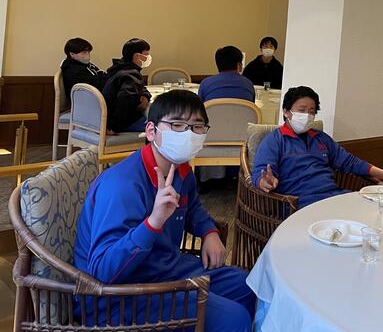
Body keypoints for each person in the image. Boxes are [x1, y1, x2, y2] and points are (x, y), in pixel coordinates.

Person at [72, 90, 255, 330]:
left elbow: (193, 209)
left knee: (249, 286)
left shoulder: (180, 169)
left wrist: (209, 231)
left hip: (165, 268)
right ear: (151, 131)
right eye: (177, 125)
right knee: (234, 318)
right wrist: (154, 222)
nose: (188, 134)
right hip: (116, 296)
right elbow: (103, 272)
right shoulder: (122, 185)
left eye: (197, 127)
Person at [253, 85, 383, 208]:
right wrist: (264, 181)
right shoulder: (274, 141)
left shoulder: (321, 138)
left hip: (333, 197)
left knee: (371, 209)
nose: (307, 115)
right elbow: (261, 172)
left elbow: (349, 162)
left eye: (311, 111)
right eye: (302, 110)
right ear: (286, 112)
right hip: (298, 204)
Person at [102, 38, 152, 132]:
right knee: (161, 126)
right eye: (146, 54)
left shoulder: (118, 69)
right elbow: (124, 99)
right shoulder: (131, 74)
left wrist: (145, 95)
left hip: (107, 119)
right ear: (137, 56)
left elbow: (140, 87)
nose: (148, 57)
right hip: (123, 122)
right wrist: (115, 128)